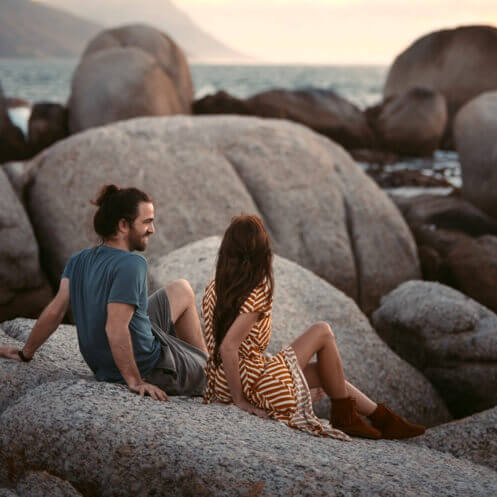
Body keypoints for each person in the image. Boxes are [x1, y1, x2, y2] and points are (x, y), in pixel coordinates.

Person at [202, 214, 426, 440]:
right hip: (252, 387)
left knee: (323, 371)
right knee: (323, 331)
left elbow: (229, 347)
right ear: (261, 252)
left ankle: (382, 418)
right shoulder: (255, 293)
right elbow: (228, 346)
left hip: (222, 384)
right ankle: (347, 416)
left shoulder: (215, 286)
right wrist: (239, 400)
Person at [0, 185, 208, 401]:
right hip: (149, 366)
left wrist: (26, 352)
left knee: (182, 288)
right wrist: (135, 381)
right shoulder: (132, 264)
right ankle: (206, 368)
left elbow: (55, 311)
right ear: (123, 225)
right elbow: (115, 327)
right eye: (146, 222)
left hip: (103, 365)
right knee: (216, 377)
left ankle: (202, 359)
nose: (152, 229)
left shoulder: (79, 259)